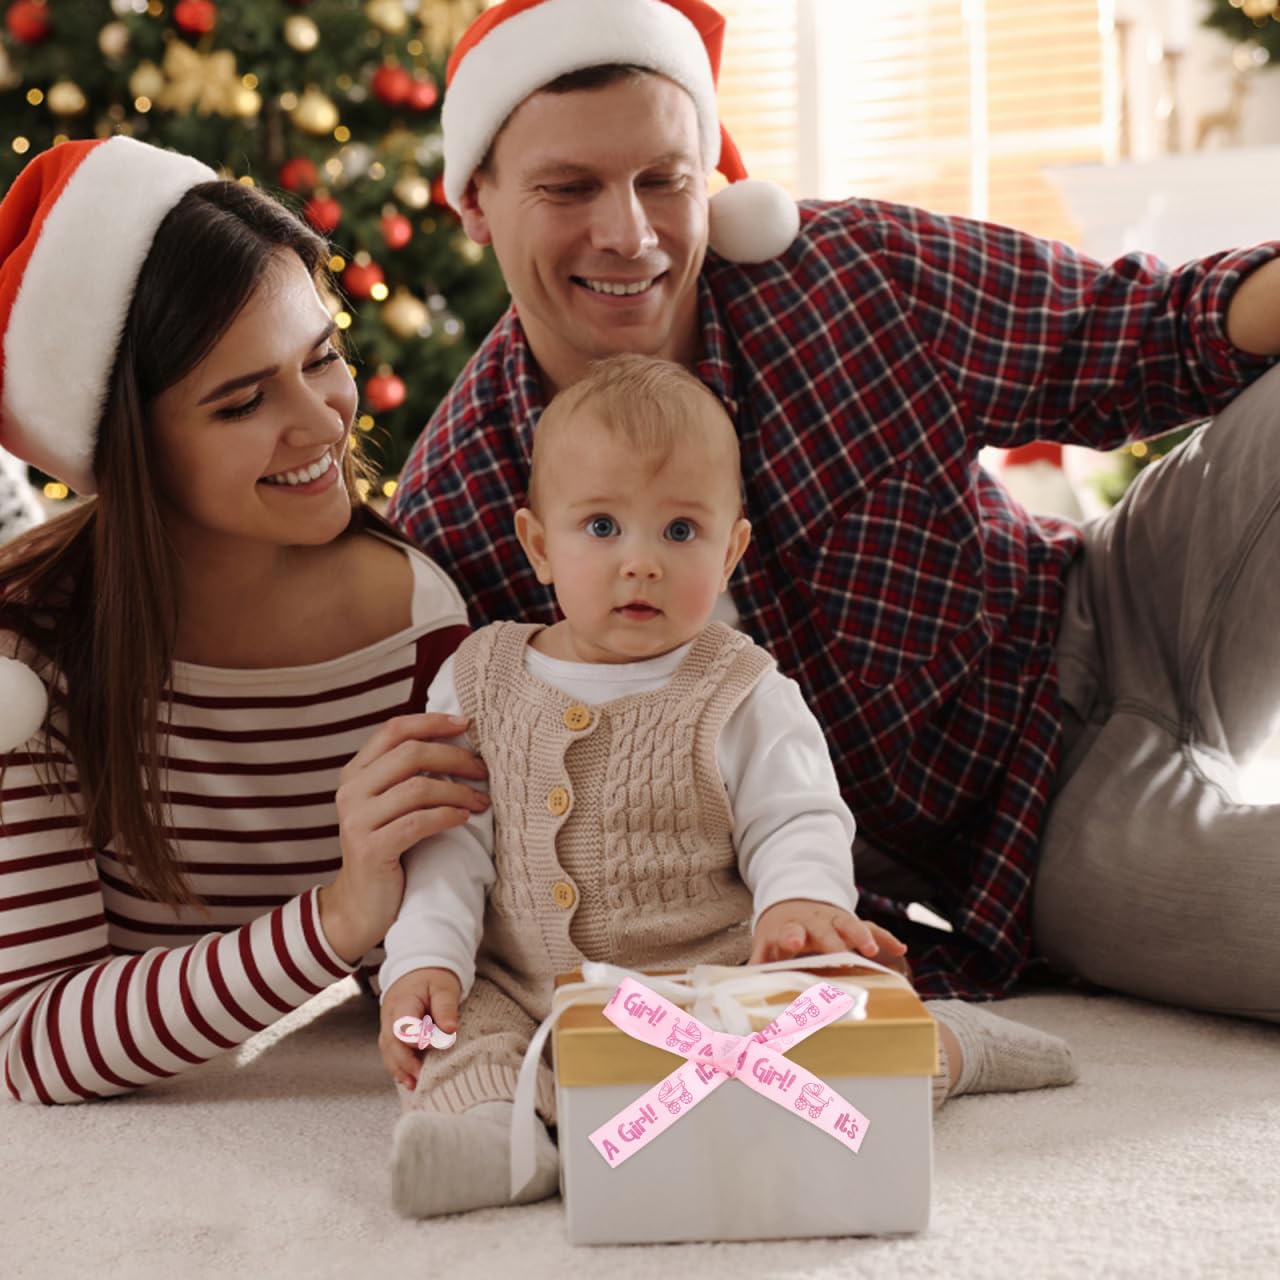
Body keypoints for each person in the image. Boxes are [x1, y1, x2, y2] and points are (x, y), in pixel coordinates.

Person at [389, 0, 1280, 1019]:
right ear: (473, 201)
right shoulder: (458, 505)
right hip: (1041, 837)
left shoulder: (847, 270)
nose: (627, 233)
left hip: (1122, 600)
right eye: (567, 186)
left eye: (661, 180)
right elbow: (475, 828)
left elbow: (1137, 333)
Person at [378, 355, 1076, 1219]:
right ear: (538, 545)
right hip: (521, 985)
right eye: (601, 527)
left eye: (679, 532)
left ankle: (949, 1047)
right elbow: (449, 847)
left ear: (731, 548)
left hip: (708, 987)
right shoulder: (479, 680)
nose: (641, 564)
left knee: (814, 1059)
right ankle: (493, 1139)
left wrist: (798, 906)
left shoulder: (740, 689)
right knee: (459, 1037)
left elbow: (797, 818)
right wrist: (424, 962)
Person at [0, 136, 489, 1104]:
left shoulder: (414, 613)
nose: (318, 424)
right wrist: (336, 916)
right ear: (127, 444)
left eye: (323, 359)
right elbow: (32, 1039)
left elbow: (437, 922)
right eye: (240, 402)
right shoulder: (25, 662)